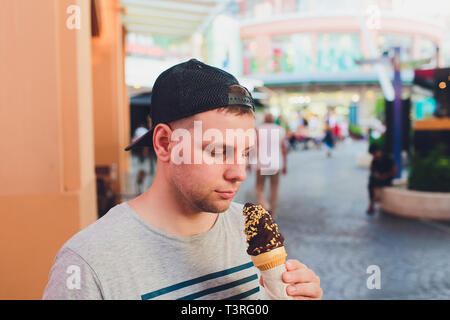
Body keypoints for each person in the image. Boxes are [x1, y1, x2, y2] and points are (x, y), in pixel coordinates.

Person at [43, 59, 322, 300]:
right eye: (217, 150)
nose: (240, 172)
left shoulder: (247, 230)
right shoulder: (88, 264)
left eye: (245, 153)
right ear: (165, 143)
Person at [251, 113, 287, 221]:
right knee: (274, 189)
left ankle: (266, 207)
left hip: (262, 164)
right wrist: (285, 164)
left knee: (259, 188)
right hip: (277, 163)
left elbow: (254, 147)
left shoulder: (258, 129)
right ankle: (273, 214)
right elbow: (284, 148)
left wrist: (249, 162)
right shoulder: (280, 130)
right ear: (273, 119)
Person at [367, 144, 397, 215]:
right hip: (378, 179)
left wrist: (384, 176)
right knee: (372, 182)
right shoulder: (375, 160)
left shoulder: (388, 158)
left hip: (387, 178)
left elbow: (394, 171)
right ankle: (373, 201)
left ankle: (372, 203)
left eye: (374, 154)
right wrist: (376, 174)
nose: (373, 156)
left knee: (375, 182)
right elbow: (372, 170)